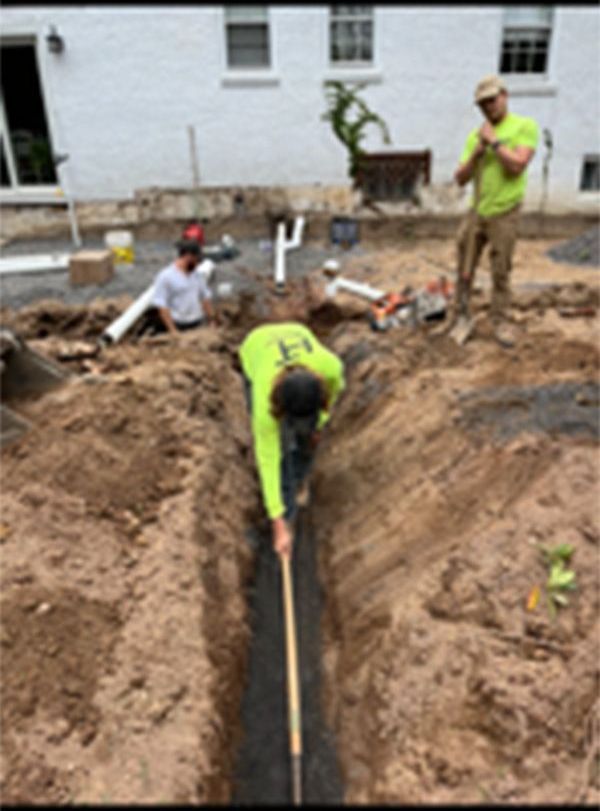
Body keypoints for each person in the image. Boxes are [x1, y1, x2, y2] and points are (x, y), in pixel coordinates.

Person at [239, 322, 345, 558]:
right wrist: (279, 525)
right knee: (282, 451)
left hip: (297, 333)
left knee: (309, 440)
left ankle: (299, 479)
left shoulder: (331, 368)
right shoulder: (265, 403)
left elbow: (335, 394)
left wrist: (319, 424)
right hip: (256, 346)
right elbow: (268, 460)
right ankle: (287, 513)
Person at [453, 74, 539, 346]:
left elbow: (517, 166)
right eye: (483, 104)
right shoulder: (475, 138)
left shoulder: (524, 127)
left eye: (492, 100)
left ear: (504, 96)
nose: (488, 107)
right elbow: (460, 178)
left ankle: (500, 321)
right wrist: (477, 151)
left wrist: (495, 143)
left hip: (505, 213)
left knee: (500, 271)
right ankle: (461, 317)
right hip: (476, 211)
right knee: (464, 267)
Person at [138, 239, 214, 336]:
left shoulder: (197, 275)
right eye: (196, 260)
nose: (198, 264)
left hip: (196, 323)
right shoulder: (166, 276)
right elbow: (162, 306)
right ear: (188, 257)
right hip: (179, 324)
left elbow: (205, 297)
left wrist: (211, 320)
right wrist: (173, 330)